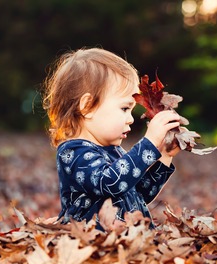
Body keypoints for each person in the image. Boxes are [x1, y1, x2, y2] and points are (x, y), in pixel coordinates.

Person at [42, 47, 181, 231]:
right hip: (96, 246)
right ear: (87, 107)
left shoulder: (113, 151)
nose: (131, 118)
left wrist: (164, 156)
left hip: (127, 243)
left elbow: (140, 193)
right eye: (124, 109)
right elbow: (110, 183)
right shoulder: (73, 152)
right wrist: (148, 144)